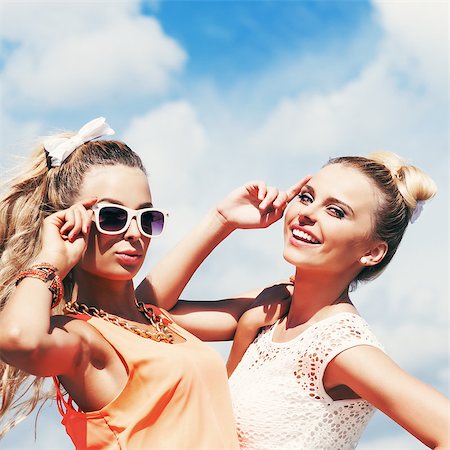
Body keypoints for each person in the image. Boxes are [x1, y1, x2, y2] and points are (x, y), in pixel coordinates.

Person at [0, 117, 298, 449]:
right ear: (69, 221)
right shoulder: (83, 337)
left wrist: (222, 220)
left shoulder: (160, 322)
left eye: (147, 218)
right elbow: (17, 339)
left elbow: (282, 305)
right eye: (112, 216)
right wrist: (51, 258)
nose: (135, 233)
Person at [151, 151, 450, 449]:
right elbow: (143, 313)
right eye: (307, 198)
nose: (307, 213)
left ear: (372, 252)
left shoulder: (340, 346)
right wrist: (222, 219)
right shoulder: (269, 307)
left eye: (336, 211)